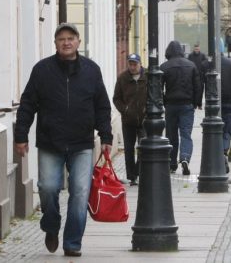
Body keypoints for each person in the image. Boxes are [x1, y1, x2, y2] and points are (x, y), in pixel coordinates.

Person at [13, 23, 112, 258]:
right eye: (61, 39)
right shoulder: (42, 70)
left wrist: (106, 136)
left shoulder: (91, 70)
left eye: (71, 38)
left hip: (81, 144)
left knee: (80, 192)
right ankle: (51, 225)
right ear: (55, 44)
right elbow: (27, 104)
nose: (66, 42)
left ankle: (72, 242)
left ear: (78, 42)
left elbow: (102, 106)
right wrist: (21, 136)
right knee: (48, 189)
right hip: (50, 142)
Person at [160, 39, 202, 175]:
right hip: (187, 104)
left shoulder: (164, 67)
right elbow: (198, 85)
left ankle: (172, 163)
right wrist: (197, 102)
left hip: (171, 105)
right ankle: (184, 158)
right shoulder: (191, 65)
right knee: (185, 134)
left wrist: (163, 101)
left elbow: (158, 88)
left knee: (171, 135)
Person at [113, 53, 147, 186]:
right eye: (130, 64)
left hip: (144, 120)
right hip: (128, 120)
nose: (132, 67)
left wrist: (148, 111)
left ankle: (139, 171)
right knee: (128, 148)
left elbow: (154, 95)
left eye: (135, 64)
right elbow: (116, 98)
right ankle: (132, 176)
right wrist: (125, 110)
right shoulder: (123, 78)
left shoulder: (147, 77)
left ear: (140, 64)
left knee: (143, 147)